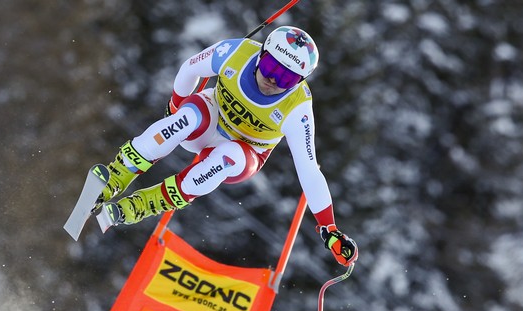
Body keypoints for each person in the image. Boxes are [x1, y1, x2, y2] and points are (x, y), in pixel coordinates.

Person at [95, 26, 358, 267]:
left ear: (299, 82)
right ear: (261, 54)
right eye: (269, 67)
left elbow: (309, 170)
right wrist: (175, 107)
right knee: (185, 118)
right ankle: (117, 176)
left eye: (286, 78)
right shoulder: (237, 52)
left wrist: (329, 228)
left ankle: (144, 204)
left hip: (244, 151)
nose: (273, 81)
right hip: (207, 121)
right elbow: (190, 68)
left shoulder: (297, 109)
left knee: (227, 157)